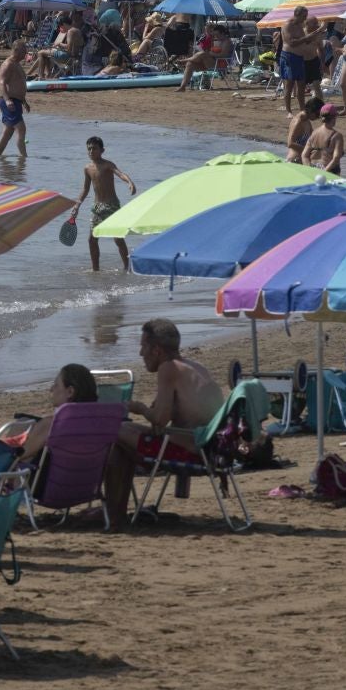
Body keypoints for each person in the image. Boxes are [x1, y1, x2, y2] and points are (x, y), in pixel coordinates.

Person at [105, 319, 225, 522]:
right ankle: (115, 513)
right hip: (210, 449)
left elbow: (160, 420)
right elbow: (173, 415)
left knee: (112, 430)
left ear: (157, 350)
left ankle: (113, 514)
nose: (141, 353)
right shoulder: (194, 366)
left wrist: (139, 408)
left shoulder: (168, 369)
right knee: (122, 435)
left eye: (143, 346)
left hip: (190, 451)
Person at [70, 136, 137, 273]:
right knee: (92, 240)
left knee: (118, 239)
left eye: (94, 148)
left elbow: (120, 174)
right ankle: (96, 270)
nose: (91, 151)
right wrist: (77, 205)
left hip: (112, 206)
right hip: (97, 208)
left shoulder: (107, 165)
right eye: (89, 149)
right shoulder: (87, 168)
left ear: (102, 150)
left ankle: (127, 267)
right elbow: (85, 189)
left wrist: (129, 182)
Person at [277, 5, 323, 113]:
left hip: (299, 58)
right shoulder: (288, 25)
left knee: (301, 85)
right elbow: (292, 43)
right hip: (289, 57)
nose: (305, 18)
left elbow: (305, 41)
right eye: (304, 16)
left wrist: (317, 32)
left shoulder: (300, 25)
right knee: (289, 85)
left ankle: (302, 109)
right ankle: (289, 111)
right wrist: (308, 37)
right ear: (296, 15)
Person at [0, 42, 31, 156]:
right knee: (21, 129)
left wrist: (24, 101)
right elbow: (2, 83)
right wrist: (7, 100)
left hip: (16, 101)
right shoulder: (8, 64)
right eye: (23, 51)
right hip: (9, 101)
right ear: (16, 50)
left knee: (7, 132)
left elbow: (19, 84)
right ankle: (24, 159)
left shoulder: (17, 64)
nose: (25, 54)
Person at [303, 104, 345, 175]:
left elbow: (304, 155)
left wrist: (309, 170)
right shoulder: (337, 136)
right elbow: (336, 158)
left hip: (314, 169)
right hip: (330, 171)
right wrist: (324, 173)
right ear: (334, 117)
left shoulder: (314, 133)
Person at [285, 97, 321, 163]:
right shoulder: (297, 122)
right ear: (310, 111)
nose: (318, 117)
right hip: (293, 161)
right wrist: (307, 151)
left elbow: (313, 140)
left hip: (302, 161)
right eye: (317, 114)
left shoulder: (307, 121)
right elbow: (290, 143)